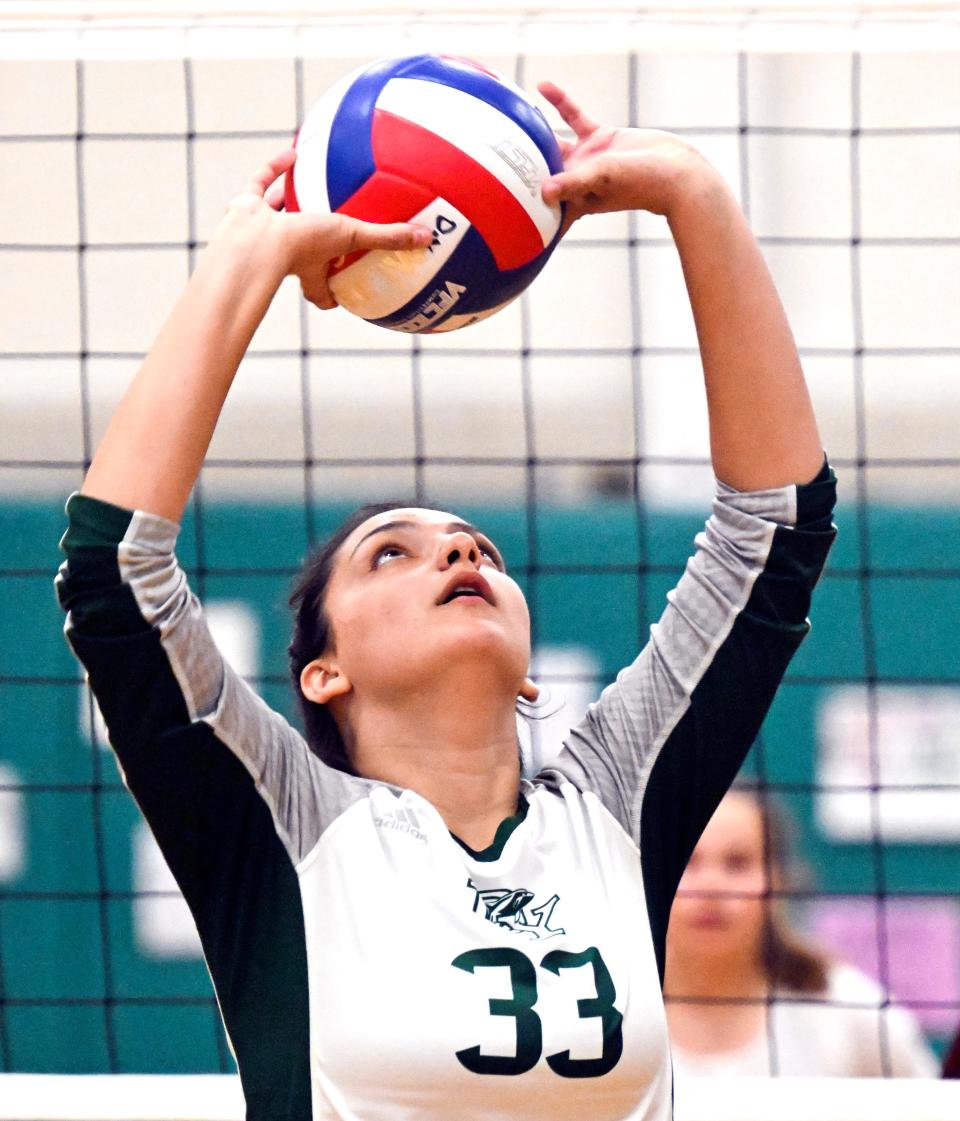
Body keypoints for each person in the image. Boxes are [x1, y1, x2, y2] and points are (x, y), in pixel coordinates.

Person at [56, 80, 837, 1121]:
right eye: (392, 553)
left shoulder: (613, 808)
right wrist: (250, 260)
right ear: (320, 670)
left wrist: (695, 196)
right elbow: (117, 576)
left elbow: (773, 534)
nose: (458, 548)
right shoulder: (287, 827)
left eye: (478, 546)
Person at [665, 789, 939, 1078]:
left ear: (779, 881)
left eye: (737, 863)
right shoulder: (620, 1012)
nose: (711, 886)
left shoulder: (852, 1011)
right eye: (687, 861)